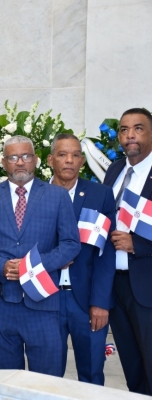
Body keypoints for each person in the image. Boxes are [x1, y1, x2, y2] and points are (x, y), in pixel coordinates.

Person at [0, 135, 80, 377]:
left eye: (25, 156)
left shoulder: (57, 196)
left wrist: (31, 266)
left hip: (44, 306)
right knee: (4, 382)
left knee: (46, 383)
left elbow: (70, 244)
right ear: (4, 162)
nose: (20, 162)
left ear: (35, 160)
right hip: (2, 306)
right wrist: (1, 266)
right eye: (13, 157)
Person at [47, 133, 116, 385]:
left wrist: (100, 302)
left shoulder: (100, 195)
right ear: (50, 159)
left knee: (92, 373)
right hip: (46, 299)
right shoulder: (35, 194)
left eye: (76, 155)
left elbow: (106, 254)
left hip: (87, 301)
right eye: (63, 154)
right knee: (48, 376)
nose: (70, 160)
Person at [103, 108, 152, 395]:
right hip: (117, 285)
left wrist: (140, 243)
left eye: (138, 128)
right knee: (132, 368)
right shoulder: (115, 169)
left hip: (146, 284)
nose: (129, 135)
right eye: (123, 129)